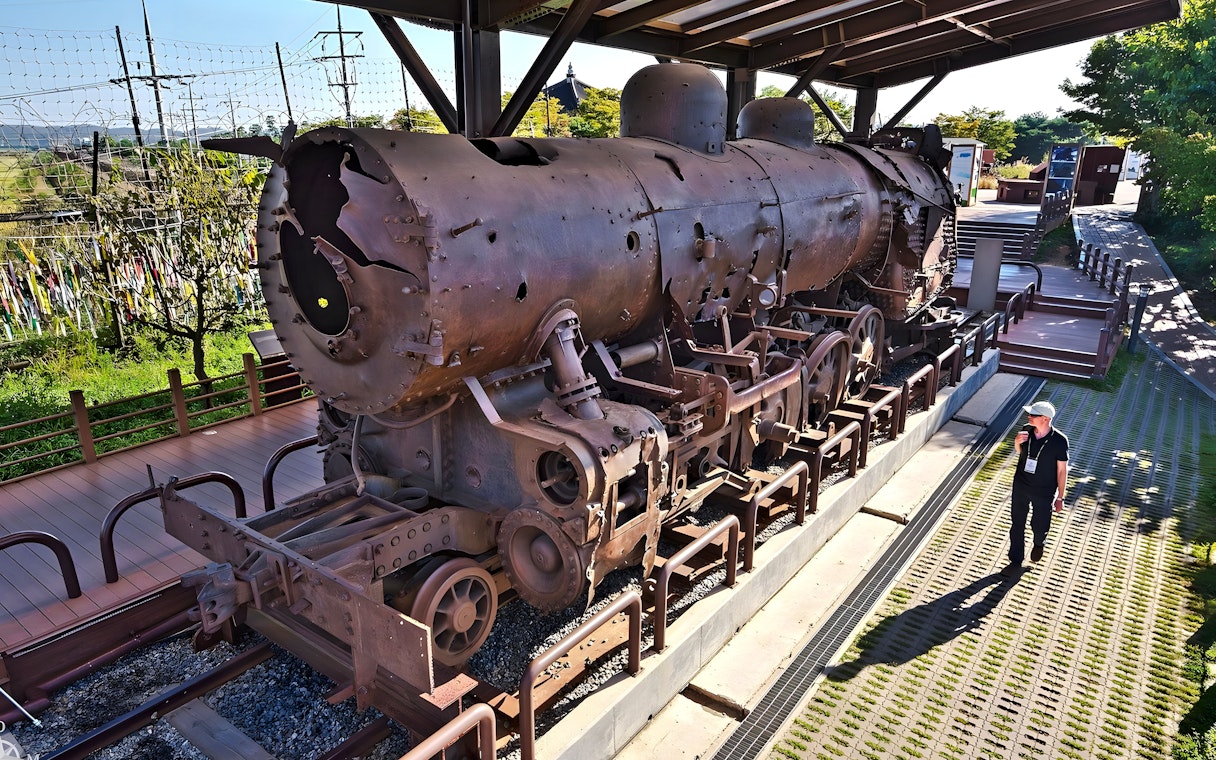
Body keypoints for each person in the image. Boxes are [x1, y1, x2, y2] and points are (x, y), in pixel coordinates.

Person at [1005, 400, 1069, 575]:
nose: (1029, 417)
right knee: (1017, 523)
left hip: (1044, 490)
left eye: (1033, 415)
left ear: (1045, 419)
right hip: (1021, 485)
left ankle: (1039, 542)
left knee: (1039, 525)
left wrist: (1060, 497)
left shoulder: (1059, 441)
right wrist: (1017, 443)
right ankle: (1015, 560)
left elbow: (1062, 470)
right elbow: (1021, 454)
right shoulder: (1026, 430)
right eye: (1029, 414)